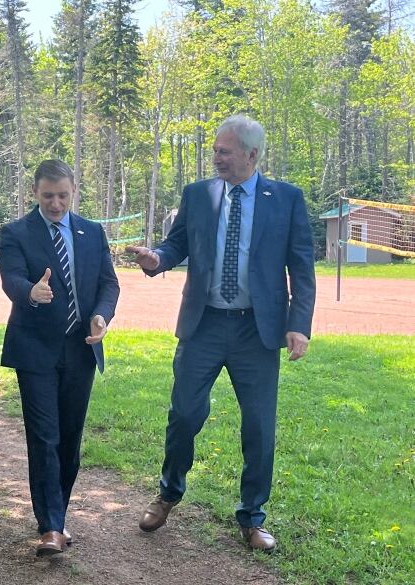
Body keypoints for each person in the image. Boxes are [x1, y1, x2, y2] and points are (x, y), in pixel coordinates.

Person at [126, 114, 316, 553]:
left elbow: (302, 268)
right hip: (204, 324)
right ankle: (169, 492)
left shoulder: (286, 199)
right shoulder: (198, 195)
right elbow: (177, 245)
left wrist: (299, 324)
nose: (216, 158)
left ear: (252, 155)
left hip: (258, 330)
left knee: (259, 427)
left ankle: (252, 517)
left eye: (224, 151)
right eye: (215, 149)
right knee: (185, 415)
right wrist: (157, 258)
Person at [0, 159, 120, 557]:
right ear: (34, 192)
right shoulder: (16, 232)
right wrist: (30, 293)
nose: (55, 203)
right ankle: (51, 526)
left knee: (69, 439)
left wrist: (102, 314)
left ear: (73, 192)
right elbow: (11, 278)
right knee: (45, 437)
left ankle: (57, 516)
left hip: (81, 348)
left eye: (63, 195)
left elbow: (108, 282)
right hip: (35, 349)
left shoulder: (91, 232)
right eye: (48, 195)